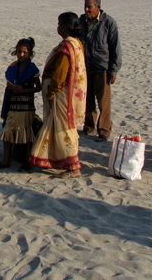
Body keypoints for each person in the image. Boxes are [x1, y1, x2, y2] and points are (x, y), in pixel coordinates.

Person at [29, 12, 87, 178]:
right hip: (71, 94)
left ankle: (72, 166)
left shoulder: (66, 48)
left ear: (63, 27)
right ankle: (61, 160)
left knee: (63, 128)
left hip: (62, 95)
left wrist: (52, 91)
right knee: (65, 126)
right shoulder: (76, 44)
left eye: (58, 23)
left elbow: (60, 74)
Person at [0, 37, 42, 172]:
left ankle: (27, 161)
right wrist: (12, 88)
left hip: (26, 107)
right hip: (13, 105)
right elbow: (8, 84)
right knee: (8, 132)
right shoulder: (13, 67)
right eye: (19, 52)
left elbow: (38, 87)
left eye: (24, 52)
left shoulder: (32, 69)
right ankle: (6, 160)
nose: (21, 55)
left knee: (27, 135)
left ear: (30, 53)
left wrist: (25, 90)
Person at [78, 0, 122, 142]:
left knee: (103, 101)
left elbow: (115, 48)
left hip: (102, 67)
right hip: (85, 67)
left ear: (98, 7)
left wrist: (113, 70)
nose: (86, 9)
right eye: (85, 6)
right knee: (87, 99)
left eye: (89, 7)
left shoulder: (109, 23)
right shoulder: (81, 22)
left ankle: (104, 130)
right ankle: (89, 126)